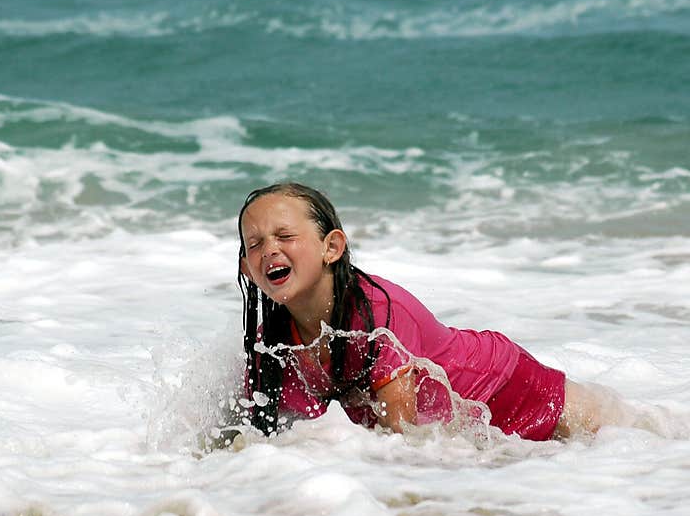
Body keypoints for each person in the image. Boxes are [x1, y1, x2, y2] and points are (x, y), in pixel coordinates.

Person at [235, 182, 629, 442]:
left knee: (624, 440)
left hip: (505, 387)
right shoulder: (269, 345)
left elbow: (404, 440)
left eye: (285, 236)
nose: (268, 249)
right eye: (254, 244)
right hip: (464, 435)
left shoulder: (379, 315)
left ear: (332, 247)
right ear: (246, 269)